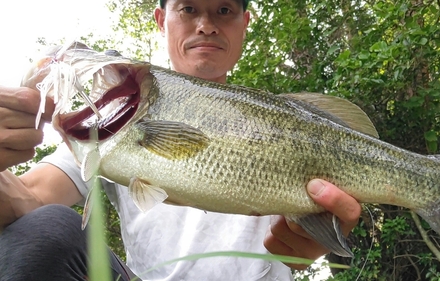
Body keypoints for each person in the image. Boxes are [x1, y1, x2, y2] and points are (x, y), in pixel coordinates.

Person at [0, 0, 362, 280]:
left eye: (223, 9)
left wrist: (322, 232)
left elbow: (325, 228)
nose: (205, 26)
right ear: (161, 19)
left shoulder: (293, 124)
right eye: (188, 8)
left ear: (244, 23)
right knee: (47, 230)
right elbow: (26, 201)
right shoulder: (114, 122)